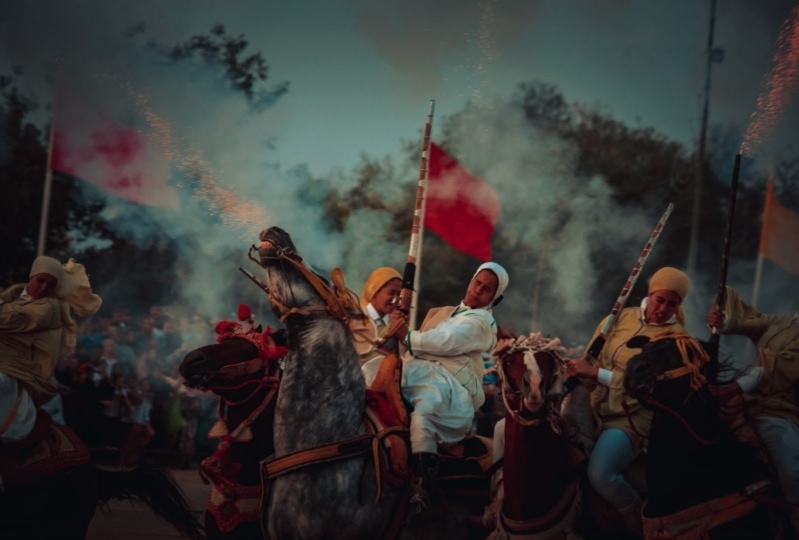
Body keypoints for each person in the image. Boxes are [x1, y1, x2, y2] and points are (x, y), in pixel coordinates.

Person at [566, 266, 690, 537]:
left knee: (600, 474)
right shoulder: (619, 317)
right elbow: (591, 358)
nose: (663, 308)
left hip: (632, 418)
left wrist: (597, 374)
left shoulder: (675, 339)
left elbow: (648, 385)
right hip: (593, 405)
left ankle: (639, 523)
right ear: (650, 294)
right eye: (660, 300)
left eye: (673, 303)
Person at [387, 261, 509, 519]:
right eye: (478, 282)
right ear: (470, 280)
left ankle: (423, 487)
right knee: (375, 372)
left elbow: (448, 342)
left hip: (453, 390)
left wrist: (406, 336)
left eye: (486, 289)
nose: (478, 290)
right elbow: (413, 349)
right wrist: (396, 333)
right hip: (422, 373)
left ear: (493, 298)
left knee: (426, 411)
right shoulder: (443, 312)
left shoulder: (481, 322)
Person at [708, 285, 799, 535]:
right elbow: (752, 321)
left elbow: (780, 365)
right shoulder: (783, 320)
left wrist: (735, 388)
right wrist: (723, 321)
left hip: (777, 412)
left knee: (792, 470)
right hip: (746, 405)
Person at [0, 256, 102, 447]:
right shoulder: (13, 292)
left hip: (22, 372)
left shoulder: (48, 308)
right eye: (41, 280)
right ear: (32, 277)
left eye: (51, 284)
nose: (44, 287)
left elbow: (7, 317)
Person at [358, 266, 402, 384]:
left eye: (399, 295)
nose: (395, 300)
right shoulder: (355, 318)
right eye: (391, 293)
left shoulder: (396, 324)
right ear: (374, 291)